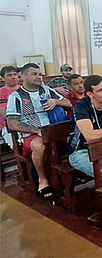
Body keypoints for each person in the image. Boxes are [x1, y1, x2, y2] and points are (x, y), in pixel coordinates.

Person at [6, 63, 72, 199]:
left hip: (53, 129)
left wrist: (56, 102)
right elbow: (12, 123)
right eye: (34, 74)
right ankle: (43, 180)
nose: (39, 77)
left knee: (75, 137)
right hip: (31, 133)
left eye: (40, 74)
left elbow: (68, 103)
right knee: (39, 145)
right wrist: (36, 130)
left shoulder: (46, 90)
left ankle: (69, 172)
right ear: (23, 76)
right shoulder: (16, 96)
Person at [0, 66, 20, 148]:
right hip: (8, 126)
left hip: (27, 122)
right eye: (9, 75)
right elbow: (5, 114)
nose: (13, 77)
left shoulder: (23, 89)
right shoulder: (1, 92)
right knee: (18, 147)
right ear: (2, 78)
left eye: (15, 74)